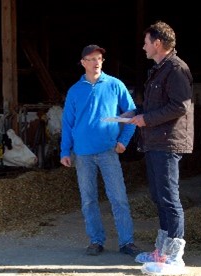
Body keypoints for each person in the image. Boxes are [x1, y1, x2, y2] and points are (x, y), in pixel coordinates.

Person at [60, 44, 141, 257]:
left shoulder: (115, 85)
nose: (95, 62)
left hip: (108, 151)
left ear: (102, 61)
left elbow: (131, 113)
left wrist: (124, 140)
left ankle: (127, 241)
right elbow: (67, 123)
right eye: (91, 59)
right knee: (88, 199)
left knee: (118, 197)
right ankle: (96, 240)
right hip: (83, 153)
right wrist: (64, 151)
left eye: (99, 58)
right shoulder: (75, 91)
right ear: (83, 63)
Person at [127, 21, 194, 275]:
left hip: (167, 141)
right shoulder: (159, 70)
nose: (143, 47)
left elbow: (180, 106)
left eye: (146, 42)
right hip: (155, 140)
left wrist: (147, 119)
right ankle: (162, 252)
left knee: (169, 198)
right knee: (158, 196)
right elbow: (157, 106)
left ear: (157, 43)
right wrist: (136, 112)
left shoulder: (176, 69)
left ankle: (175, 257)